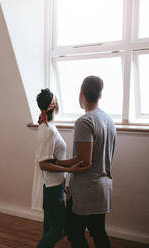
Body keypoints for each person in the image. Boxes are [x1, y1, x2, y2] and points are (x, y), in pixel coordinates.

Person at [56, 76, 116, 248]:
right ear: (100, 95)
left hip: (86, 192)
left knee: (74, 234)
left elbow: (84, 161)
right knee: (98, 233)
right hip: (102, 189)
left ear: (81, 94)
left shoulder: (84, 121)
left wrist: (57, 164)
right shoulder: (108, 120)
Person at [34, 88, 90, 248]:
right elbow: (43, 164)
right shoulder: (48, 130)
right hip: (52, 189)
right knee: (58, 231)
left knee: (49, 229)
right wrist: (70, 170)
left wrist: (63, 178)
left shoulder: (47, 126)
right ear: (54, 106)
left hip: (54, 186)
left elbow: (52, 160)